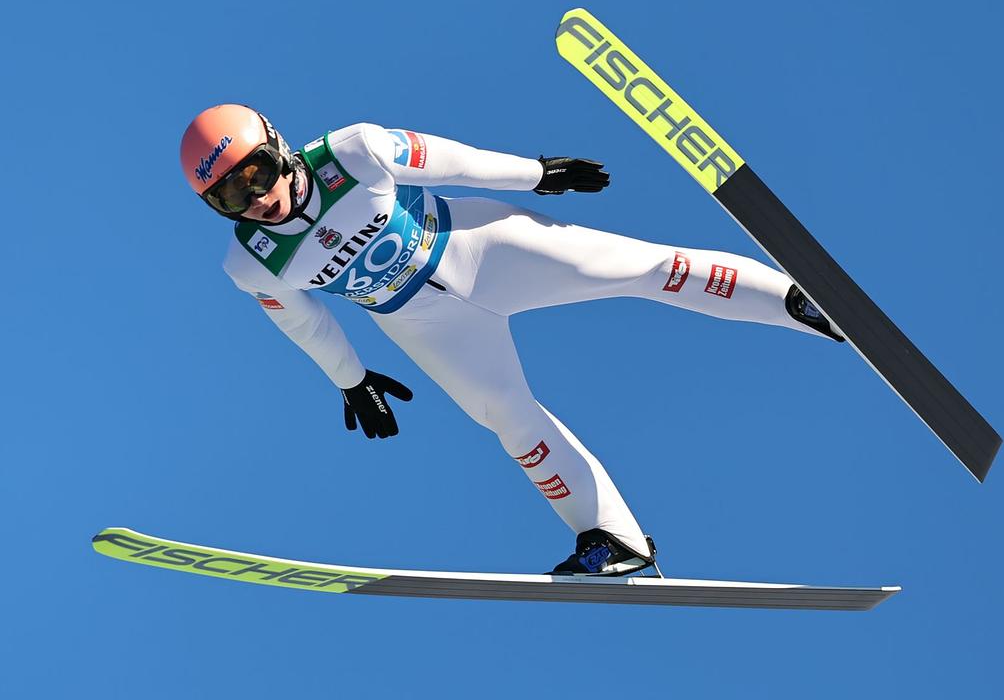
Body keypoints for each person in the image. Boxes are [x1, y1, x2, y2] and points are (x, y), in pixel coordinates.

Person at [179, 104, 843, 576]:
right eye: (231, 198)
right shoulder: (253, 262)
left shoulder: (353, 152)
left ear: (278, 145)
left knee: (640, 268)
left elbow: (448, 160)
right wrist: (350, 379)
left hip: (482, 248)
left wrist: (534, 173)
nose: (256, 199)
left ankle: (797, 301)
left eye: (257, 174)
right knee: (505, 416)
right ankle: (613, 537)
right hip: (421, 321)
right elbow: (304, 321)